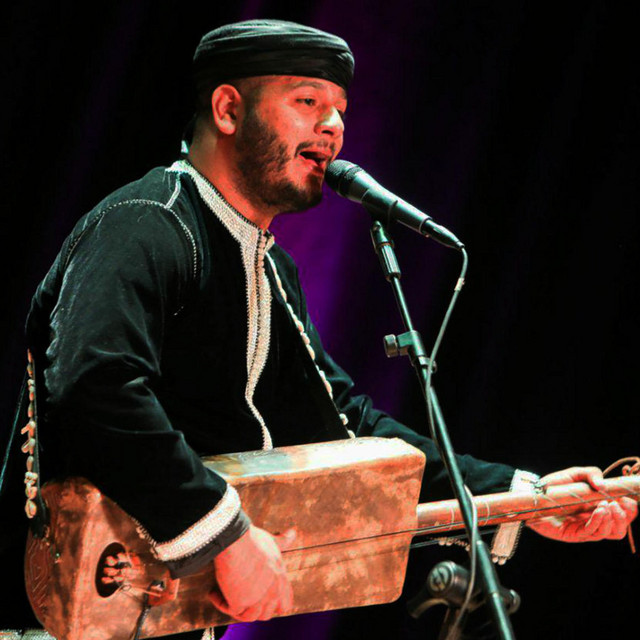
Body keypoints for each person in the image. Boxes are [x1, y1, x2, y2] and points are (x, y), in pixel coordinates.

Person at [4, 18, 636, 639]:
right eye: (307, 102)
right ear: (228, 109)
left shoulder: (269, 268)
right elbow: (96, 384)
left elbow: (344, 429)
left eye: (339, 110)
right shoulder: (146, 223)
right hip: (52, 613)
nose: (333, 126)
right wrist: (227, 534)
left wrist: (526, 497)